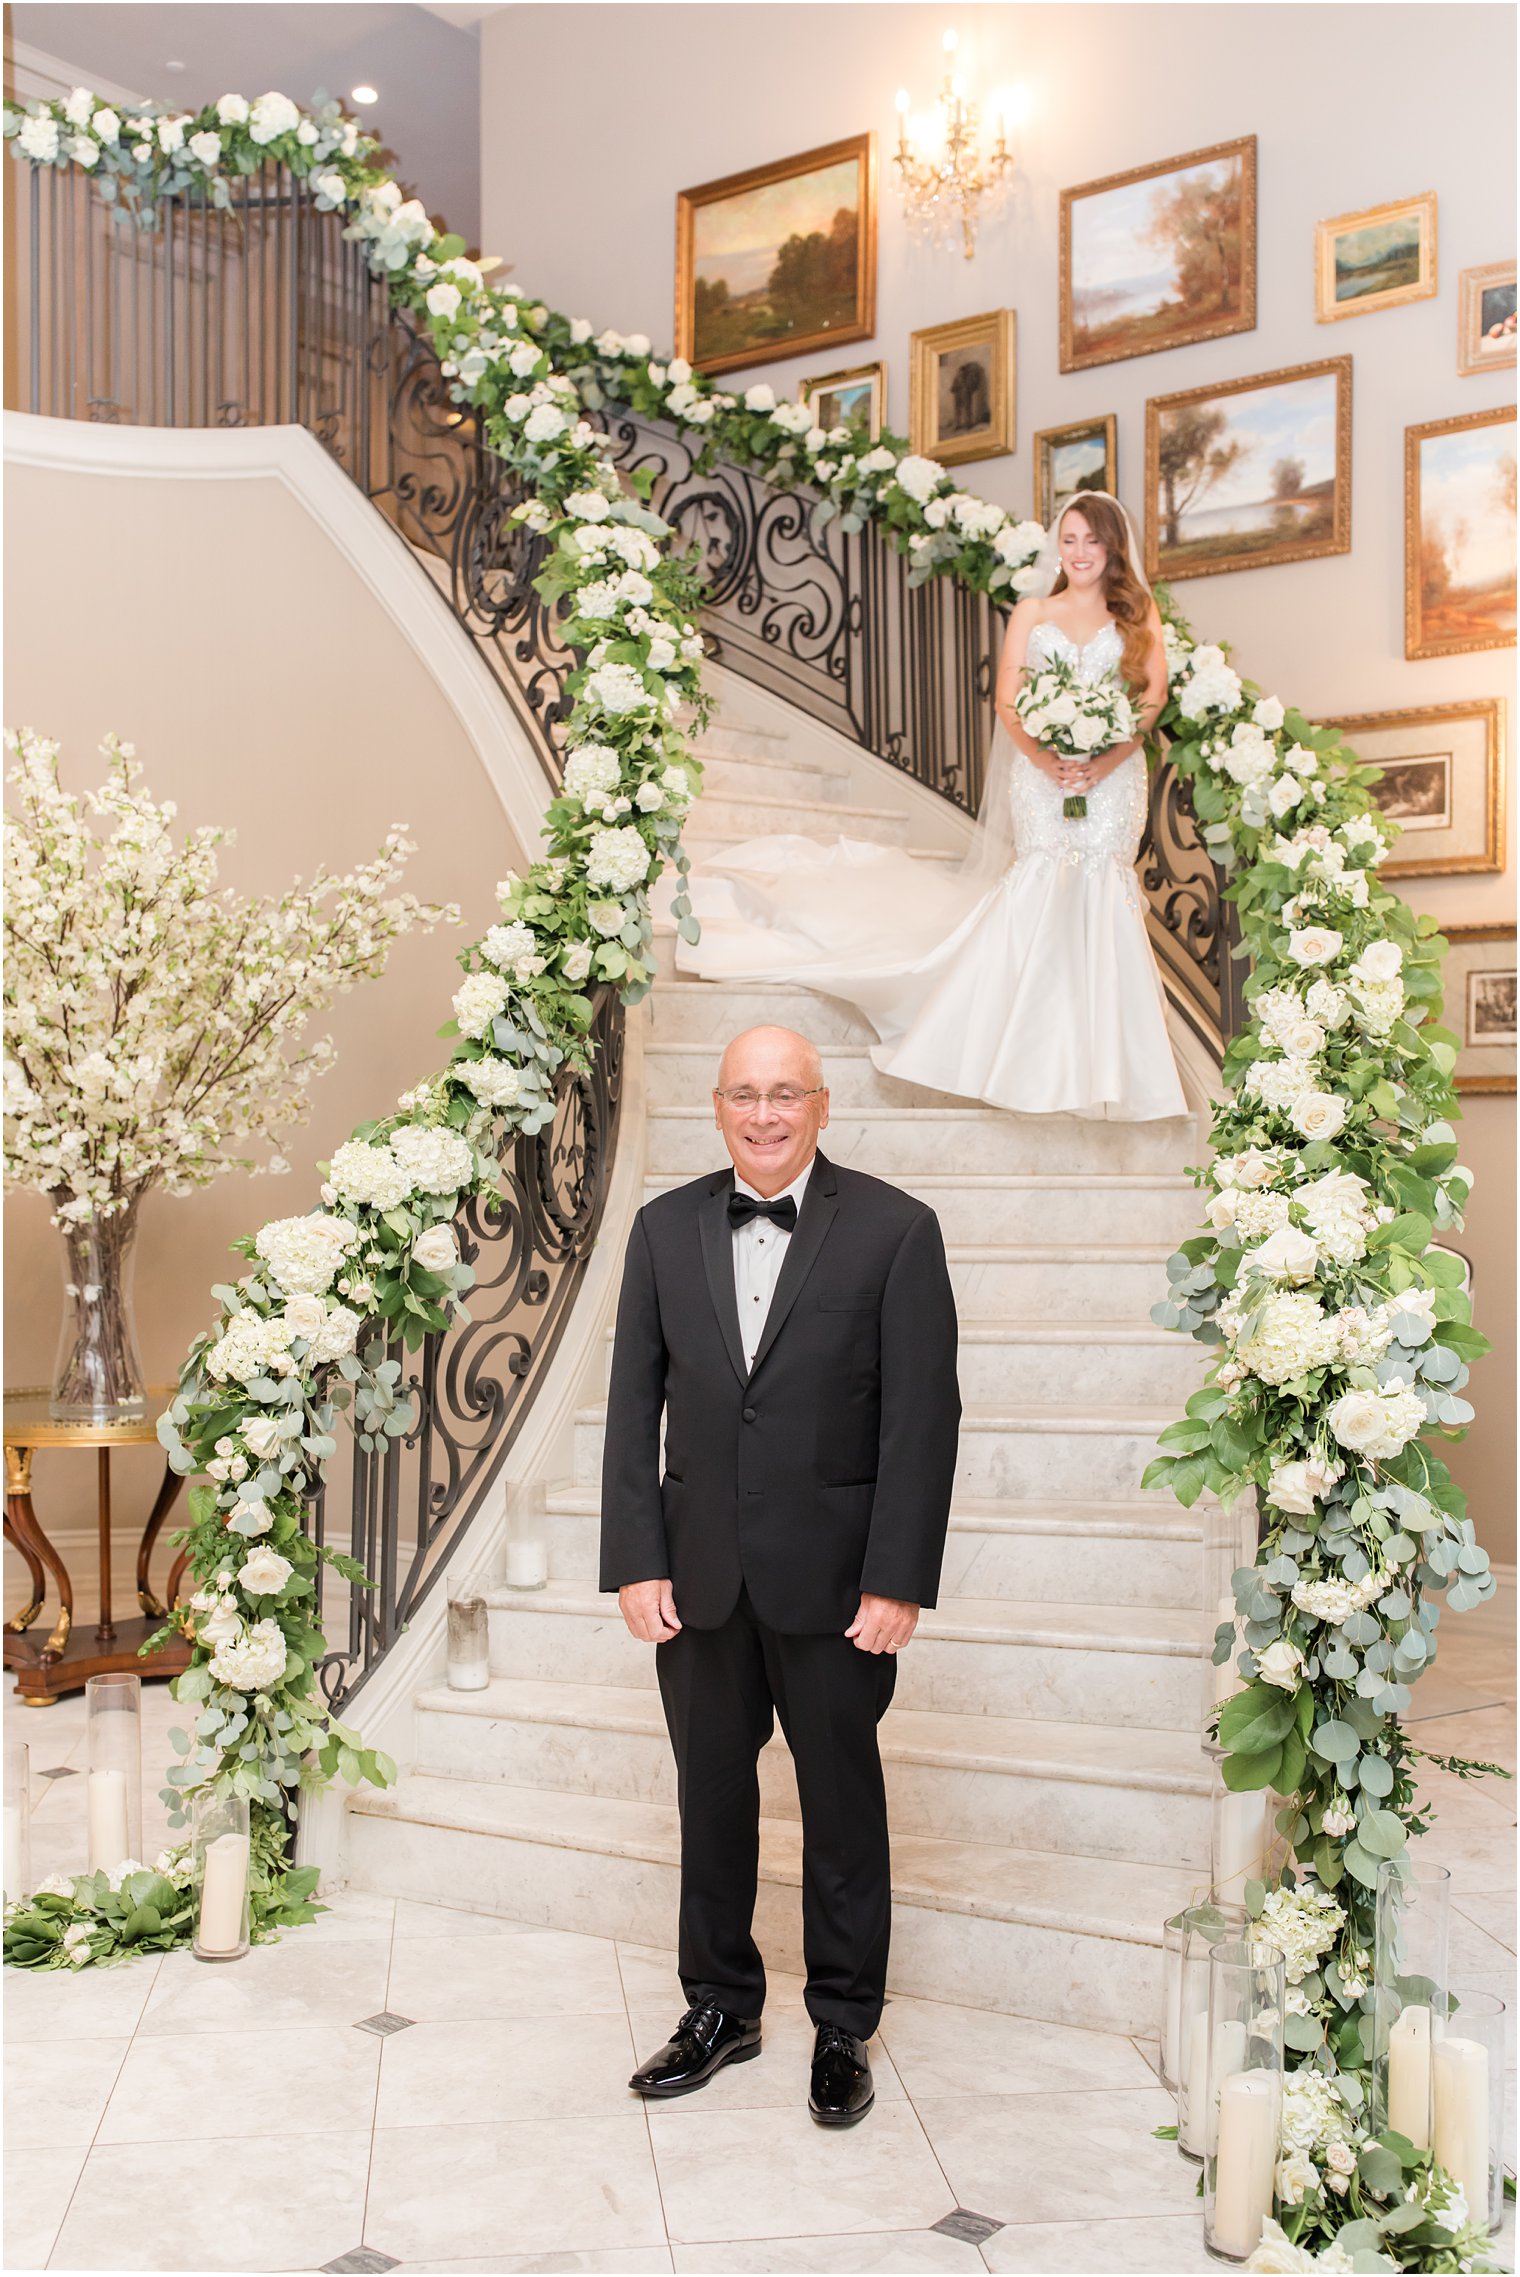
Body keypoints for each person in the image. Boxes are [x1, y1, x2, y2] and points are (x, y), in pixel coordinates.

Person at [600, 1023, 960, 2125]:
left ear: (819, 1104)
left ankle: (844, 2022)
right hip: (698, 1576)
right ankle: (719, 2004)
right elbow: (631, 1409)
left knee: (840, 1805)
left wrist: (896, 1577)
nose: (763, 1114)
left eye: (783, 1094)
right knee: (709, 1799)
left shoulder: (896, 1230)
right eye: (743, 1095)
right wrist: (632, 1560)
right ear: (716, 1107)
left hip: (837, 1582)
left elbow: (921, 1421)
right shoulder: (661, 1231)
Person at [677, 492, 1190, 1123]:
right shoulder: (1034, 610)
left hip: (1113, 779)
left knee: (1103, 886)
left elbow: (1152, 696)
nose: (1079, 553)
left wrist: (1106, 759)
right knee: (1041, 885)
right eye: (1070, 539)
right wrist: (1047, 759)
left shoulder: (1136, 615)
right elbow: (1008, 700)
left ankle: (1109, 1068)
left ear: (1114, 548)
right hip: (1042, 776)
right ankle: (1021, 1056)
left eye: (1093, 541)